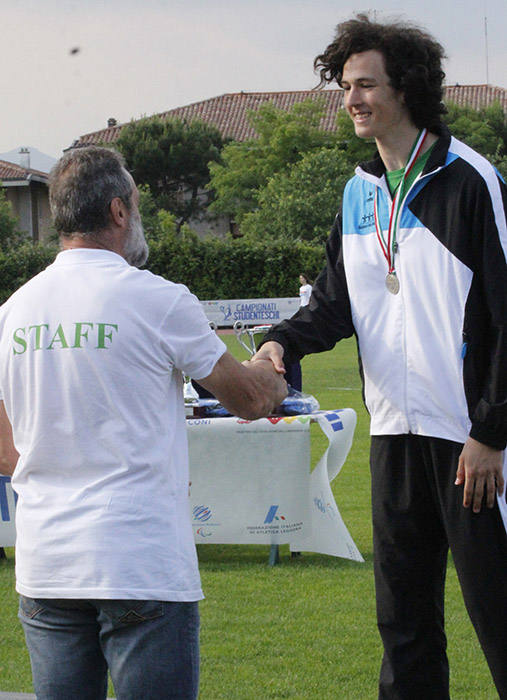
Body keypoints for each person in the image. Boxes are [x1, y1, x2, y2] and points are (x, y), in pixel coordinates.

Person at [253, 14, 507, 700]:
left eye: (364, 84)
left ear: (406, 87)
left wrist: (491, 430)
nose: (351, 99)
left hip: (470, 441)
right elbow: (335, 303)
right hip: (395, 436)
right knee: (403, 626)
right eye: (344, 87)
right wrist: (281, 340)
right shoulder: (358, 192)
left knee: (499, 616)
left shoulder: (470, 180)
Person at [0, 146, 287, 700]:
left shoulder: (13, 311)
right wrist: (271, 363)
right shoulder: (157, 299)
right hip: (138, 559)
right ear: (118, 211)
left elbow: (6, 452)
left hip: (48, 564)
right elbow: (250, 400)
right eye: (136, 204)